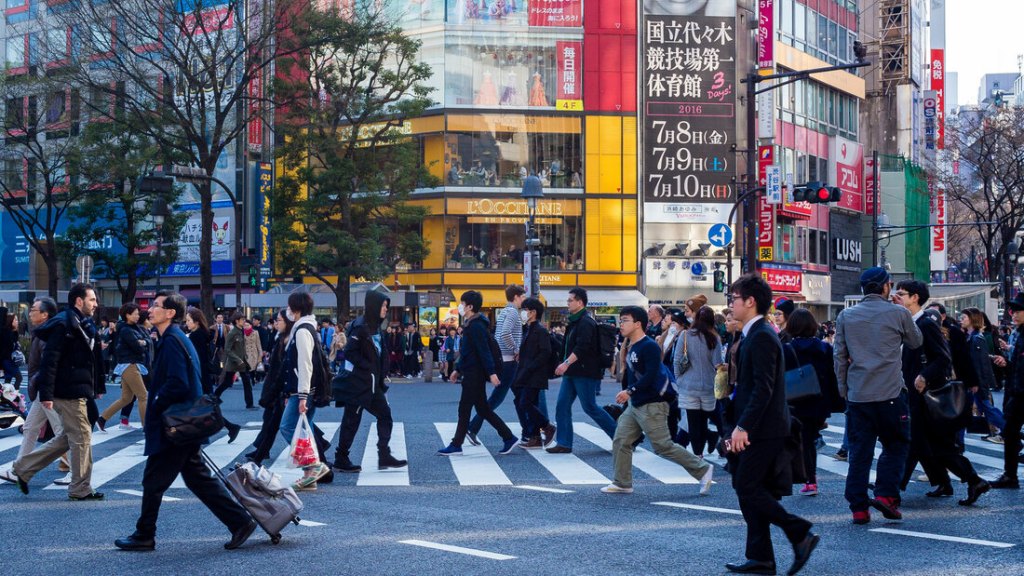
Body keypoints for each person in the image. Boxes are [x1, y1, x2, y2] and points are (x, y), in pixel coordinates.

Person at [114, 291, 257, 552]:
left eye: (156, 306)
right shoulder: (175, 337)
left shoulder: (171, 340)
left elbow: (178, 383)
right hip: (185, 423)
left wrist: (156, 401)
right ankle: (240, 522)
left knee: (154, 480)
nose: (150, 309)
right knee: (196, 478)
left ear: (170, 313)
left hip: (176, 425)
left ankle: (145, 534)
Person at [725, 273, 818, 576]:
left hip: (765, 428)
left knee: (747, 486)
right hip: (758, 425)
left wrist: (743, 427)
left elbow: (763, 388)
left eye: (734, 299)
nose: (731, 305)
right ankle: (761, 558)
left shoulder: (762, 335)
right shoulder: (753, 333)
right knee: (750, 489)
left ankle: (799, 532)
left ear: (750, 302)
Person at [833, 267, 922, 524]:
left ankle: (859, 508)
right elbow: (916, 342)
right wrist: (903, 312)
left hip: (859, 394)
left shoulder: (846, 316)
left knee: (860, 452)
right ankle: (886, 495)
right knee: (896, 444)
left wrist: (844, 390)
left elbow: (839, 356)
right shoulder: (898, 313)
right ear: (886, 287)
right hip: (891, 391)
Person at [1, 283, 105, 500]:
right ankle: (80, 489)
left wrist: (98, 386)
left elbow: (90, 360)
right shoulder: (64, 324)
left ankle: (22, 468)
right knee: (81, 437)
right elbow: (50, 361)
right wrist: (47, 395)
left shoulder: (82, 323)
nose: (96, 304)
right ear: (79, 301)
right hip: (67, 391)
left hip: (77, 389)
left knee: (68, 437)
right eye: (92, 299)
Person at [895, 281, 989, 505]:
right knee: (927, 444)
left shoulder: (926, 324)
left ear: (915, 297)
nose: (896, 297)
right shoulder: (909, 322)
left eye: (901, 294)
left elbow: (943, 358)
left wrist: (924, 376)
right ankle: (955, 481)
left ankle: (891, 489)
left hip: (927, 394)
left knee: (924, 442)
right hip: (915, 393)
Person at [603, 306, 713, 496]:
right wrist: (629, 394)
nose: (621, 324)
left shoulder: (649, 346)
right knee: (621, 440)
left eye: (625, 320)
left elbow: (651, 374)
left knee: (663, 446)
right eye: (621, 320)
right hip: (636, 403)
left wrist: (630, 391)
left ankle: (702, 469)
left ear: (638, 324)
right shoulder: (633, 345)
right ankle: (622, 482)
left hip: (652, 404)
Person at [334, 290, 407, 472]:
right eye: (383, 305)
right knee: (352, 420)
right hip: (359, 384)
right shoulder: (360, 327)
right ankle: (341, 457)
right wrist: (367, 367)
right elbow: (349, 352)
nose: (386, 309)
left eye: (387, 306)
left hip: (373, 384)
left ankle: (384, 455)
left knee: (385, 416)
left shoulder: (376, 327)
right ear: (374, 306)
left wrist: (380, 373)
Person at [438, 290, 519, 456]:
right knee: (482, 409)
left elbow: (484, 351)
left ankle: (457, 444)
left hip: (474, 374)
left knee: (465, 409)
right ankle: (508, 437)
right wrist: (457, 370)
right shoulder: (472, 324)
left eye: (462, 303)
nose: (460, 306)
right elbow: (468, 351)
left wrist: (492, 373)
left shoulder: (476, 326)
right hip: (471, 372)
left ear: (470, 306)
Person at [547, 287, 618, 454]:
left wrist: (565, 364)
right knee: (562, 406)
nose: (568, 303)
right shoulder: (575, 321)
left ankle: (622, 439)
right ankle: (564, 443)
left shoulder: (586, 322)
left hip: (585, 372)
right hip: (572, 372)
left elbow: (582, 347)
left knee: (590, 407)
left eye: (570, 300)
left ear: (580, 302)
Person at [783, 309, 843, 497]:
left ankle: (804, 478)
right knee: (808, 439)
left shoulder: (787, 348)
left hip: (794, 400)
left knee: (798, 439)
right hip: (818, 400)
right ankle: (810, 479)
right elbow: (833, 376)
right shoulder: (825, 348)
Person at [278, 291, 331, 490]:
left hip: (304, 390)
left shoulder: (302, 331)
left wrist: (302, 395)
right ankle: (309, 476)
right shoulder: (307, 327)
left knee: (287, 427)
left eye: (290, 307)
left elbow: (305, 364)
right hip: (306, 389)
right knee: (304, 431)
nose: (288, 310)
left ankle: (313, 466)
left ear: (297, 309)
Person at [467, 284, 527, 446]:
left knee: (520, 396)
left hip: (504, 359)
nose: (524, 300)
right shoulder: (513, 312)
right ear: (516, 297)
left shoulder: (504, 311)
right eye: (522, 297)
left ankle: (528, 431)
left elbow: (499, 334)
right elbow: (505, 333)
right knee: (497, 398)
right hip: (509, 360)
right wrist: (516, 349)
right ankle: (472, 427)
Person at [9, 297, 61, 466]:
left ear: (45, 314)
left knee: (60, 430)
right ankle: (20, 466)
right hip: (42, 388)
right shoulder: (42, 332)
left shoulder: (47, 334)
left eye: (33, 310)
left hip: (47, 389)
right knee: (30, 428)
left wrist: (37, 381)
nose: (30, 313)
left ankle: (77, 470)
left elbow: (49, 364)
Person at [675, 305, 724, 458]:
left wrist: (679, 379)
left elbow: (677, 359)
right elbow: (717, 363)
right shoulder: (714, 338)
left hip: (688, 384)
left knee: (693, 422)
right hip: (708, 385)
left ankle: (697, 454)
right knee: (704, 420)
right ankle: (702, 449)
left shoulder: (685, 335)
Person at [246, 309, 292, 465]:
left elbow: (283, 367)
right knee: (271, 421)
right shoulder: (280, 337)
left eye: (279, 320)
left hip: (280, 387)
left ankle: (319, 449)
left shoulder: (288, 339)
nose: (275, 323)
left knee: (282, 422)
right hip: (275, 386)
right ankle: (260, 451)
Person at [97, 303, 151, 432]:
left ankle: (102, 419)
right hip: (129, 365)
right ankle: (147, 427)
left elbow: (147, 341)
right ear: (127, 315)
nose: (138, 316)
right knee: (143, 396)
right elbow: (138, 348)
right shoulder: (126, 330)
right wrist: (143, 343)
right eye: (135, 314)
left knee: (127, 398)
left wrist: (144, 342)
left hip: (130, 364)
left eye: (138, 314)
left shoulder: (134, 328)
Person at [511, 297, 556, 448]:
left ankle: (547, 426)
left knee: (525, 403)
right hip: (527, 372)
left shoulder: (540, 330)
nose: (522, 313)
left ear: (533, 312)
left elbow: (545, 352)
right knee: (529, 403)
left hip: (534, 374)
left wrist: (530, 366)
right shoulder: (529, 329)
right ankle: (535, 437)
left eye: (525, 310)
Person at [992, 293, 1024, 489]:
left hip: (1020, 393)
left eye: (1019, 310)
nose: (1014, 314)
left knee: (1011, 432)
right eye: (1013, 310)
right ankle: (1010, 475)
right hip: (1017, 393)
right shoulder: (1020, 334)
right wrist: (1007, 364)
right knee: (1010, 432)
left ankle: (1010, 476)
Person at [960, 307, 1006, 442]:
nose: (961, 320)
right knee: (985, 407)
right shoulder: (971, 337)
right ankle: (1007, 430)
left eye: (964, 318)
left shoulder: (976, 338)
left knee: (987, 408)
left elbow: (980, 364)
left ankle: (1008, 430)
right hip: (977, 381)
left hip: (979, 381)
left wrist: (976, 382)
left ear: (972, 319)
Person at [215, 312, 254, 410]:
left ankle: (249, 404)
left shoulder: (241, 331)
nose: (244, 321)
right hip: (233, 363)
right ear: (237, 321)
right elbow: (227, 349)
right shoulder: (232, 333)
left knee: (247, 382)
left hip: (242, 362)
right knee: (227, 383)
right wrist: (237, 359)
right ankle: (214, 397)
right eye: (242, 319)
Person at [185, 307, 216, 396]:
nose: (186, 323)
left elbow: (194, 356)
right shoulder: (205, 333)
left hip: (197, 369)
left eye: (188, 320)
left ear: (197, 322)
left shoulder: (194, 336)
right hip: (205, 369)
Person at [242, 319, 263, 404]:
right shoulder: (242, 333)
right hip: (246, 355)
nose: (246, 327)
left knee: (253, 369)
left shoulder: (255, 332)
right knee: (248, 370)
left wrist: (260, 355)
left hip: (254, 354)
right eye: (245, 325)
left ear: (251, 325)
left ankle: (253, 379)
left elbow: (258, 344)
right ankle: (251, 380)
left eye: (248, 325)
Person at [0, 308, 21, 388]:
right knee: (19, 378)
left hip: (11, 361)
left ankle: (6, 395)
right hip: (7, 361)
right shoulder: (6, 333)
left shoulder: (13, 333)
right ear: (10, 321)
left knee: (8, 379)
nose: (17, 322)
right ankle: (15, 394)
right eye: (15, 320)